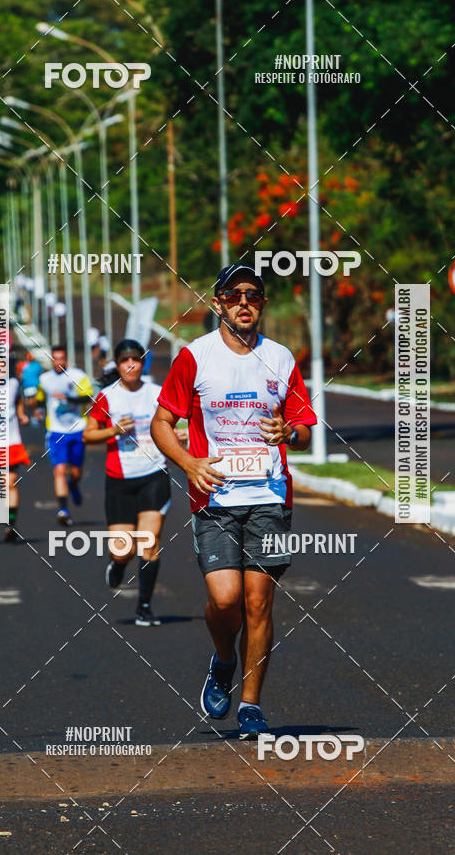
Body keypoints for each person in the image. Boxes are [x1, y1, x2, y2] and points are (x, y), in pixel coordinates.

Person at [151, 263, 317, 740]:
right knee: (225, 601)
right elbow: (161, 424)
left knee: (258, 603)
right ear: (218, 302)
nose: (245, 303)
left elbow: (303, 430)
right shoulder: (195, 357)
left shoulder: (281, 358)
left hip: (269, 495)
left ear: (262, 304)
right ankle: (223, 660)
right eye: (234, 294)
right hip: (215, 498)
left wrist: (291, 431)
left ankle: (250, 705)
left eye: (254, 295)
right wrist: (188, 463)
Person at [84, 339, 186, 627]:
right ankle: (117, 565)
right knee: (122, 549)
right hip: (120, 480)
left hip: (154, 474)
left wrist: (179, 437)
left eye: (136, 360)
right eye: (125, 361)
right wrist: (113, 431)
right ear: (117, 365)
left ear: (143, 363)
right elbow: (88, 435)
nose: (131, 365)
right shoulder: (107, 397)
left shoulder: (157, 393)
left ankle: (144, 607)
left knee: (149, 544)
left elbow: (172, 425)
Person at [37, 343, 93, 526]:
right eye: (55, 359)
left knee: (75, 473)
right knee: (59, 470)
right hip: (55, 431)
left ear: (66, 359)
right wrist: (37, 409)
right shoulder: (45, 379)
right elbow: (39, 399)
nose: (58, 362)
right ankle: (63, 510)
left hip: (77, 428)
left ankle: (74, 485)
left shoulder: (78, 376)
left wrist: (68, 398)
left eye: (61, 358)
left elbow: (88, 397)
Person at [3, 373, 30, 543]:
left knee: (10, 483)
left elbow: (18, 400)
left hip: (11, 441)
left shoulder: (13, 383)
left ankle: (10, 525)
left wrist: (21, 414)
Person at [20, 351, 43, 425]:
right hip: (26, 385)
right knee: (29, 401)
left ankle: (35, 413)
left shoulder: (37, 365)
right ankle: (33, 412)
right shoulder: (23, 364)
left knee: (33, 400)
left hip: (35, 385)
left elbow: (40, 373)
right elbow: (20, 373)